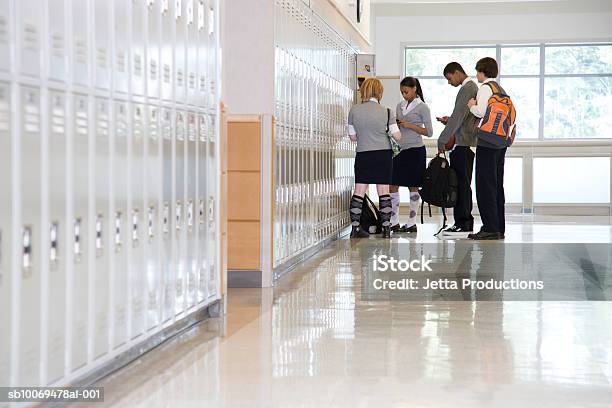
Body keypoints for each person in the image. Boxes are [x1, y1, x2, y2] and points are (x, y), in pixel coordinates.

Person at [347, 78, 401, 238]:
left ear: (363, 91)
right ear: (380, 92)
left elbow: (353, 137)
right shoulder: (387, 112)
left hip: (363, 154)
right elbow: (397, 136)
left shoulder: (354, 111)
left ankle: (355, 228)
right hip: (383, 155)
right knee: (383, 191)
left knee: (359, 191)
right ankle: (386, 228)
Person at [437, 62, 479, 237]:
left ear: (456, 72)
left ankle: (463, 223)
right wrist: (450, 121)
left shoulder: (467, 88)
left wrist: (442, 139)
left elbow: (458, 117)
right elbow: (462, 117)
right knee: (462, 184)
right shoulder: (470, 88)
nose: (449, 82)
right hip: (464, 143)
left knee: (461, 185)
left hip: (463, 144)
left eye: (449, 78)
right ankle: (462, 222)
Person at [467, 57, 507, 240]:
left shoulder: (486, 88)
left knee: (484, 185)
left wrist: (472, 106)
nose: (476, 75)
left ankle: (489, 227)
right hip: (501, 141)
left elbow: (481, 112)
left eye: (477, 71)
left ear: (483, 71)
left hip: (487, 141)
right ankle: (499, 227)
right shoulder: (501, 89)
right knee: (497, 184)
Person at [390, 77, 433, 233]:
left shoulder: (423, 108)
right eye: (402, 92)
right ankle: (394, 220)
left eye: (406, 91)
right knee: (392, 185)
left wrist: (410, 126)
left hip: (415, 150)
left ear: (414, 89)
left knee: (413, 185)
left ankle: (411, 222)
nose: (404, 95)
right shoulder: (399, 106)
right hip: (400, 150)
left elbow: (429, 132)